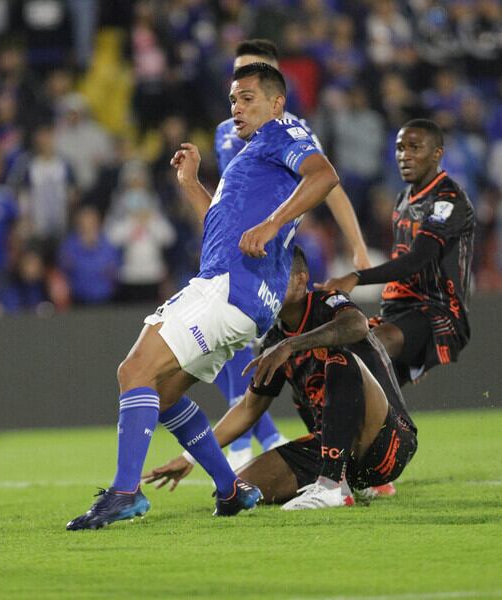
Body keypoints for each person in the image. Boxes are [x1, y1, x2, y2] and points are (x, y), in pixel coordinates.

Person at [66, 63, 340, 530]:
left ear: (276, 103)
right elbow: (221, 227)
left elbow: (324, 175)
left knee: (135, 370)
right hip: (241, 293)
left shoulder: (283, 130)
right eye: (233, 99)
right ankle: (231, 490)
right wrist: (193, 186)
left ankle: (125, 492)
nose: (237, 107)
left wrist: (273, 223)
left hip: (229, 286)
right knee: (165, 394)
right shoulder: (253, 157)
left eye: (248, 97)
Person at [143, 248, 418, 509]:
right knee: (240, 489)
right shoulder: (275, 338)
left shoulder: (327, 303)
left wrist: (292, 345)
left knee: (339, 361)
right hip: (332, 450)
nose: (268, 283)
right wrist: (190, 456)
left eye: (277, 275)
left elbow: (356, 326)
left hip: (387, 439)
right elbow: (249, 409)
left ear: (301, 280)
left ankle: (332, 487)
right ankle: (343, 480)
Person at [213, 39, 372, 471]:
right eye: (237, 82)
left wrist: (356, 245)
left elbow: (326, 183)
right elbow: (226, 201)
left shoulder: (293, 128)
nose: (240, 95)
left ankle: (341, 441)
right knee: (230, 342)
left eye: (252, 79)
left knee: (286, 342)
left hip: (277, 254)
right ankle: (255, 435)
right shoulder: (226, 133)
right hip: (236, 253)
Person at [319, 119, 475, 386]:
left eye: (415, 147)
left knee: (375, 347)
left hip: (438, 312)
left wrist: (356, 277)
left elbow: (417, 260)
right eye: (400, 148)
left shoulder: (448, 200)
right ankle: (363, 426)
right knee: (347, 365)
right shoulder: (404, 199)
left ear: (437, 153)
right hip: (401, 312)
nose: (405, 155)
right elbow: (403, 263)